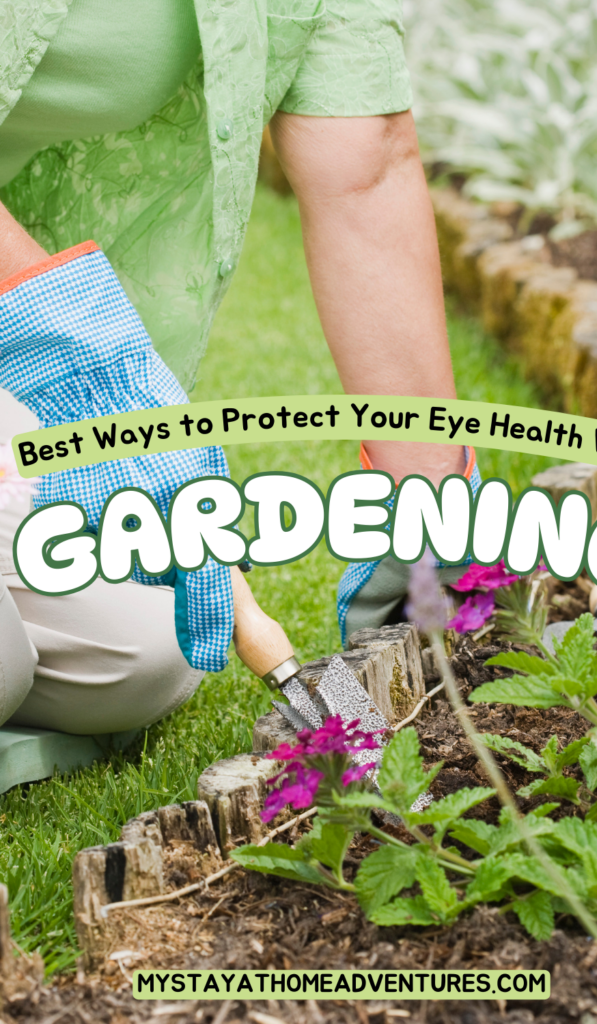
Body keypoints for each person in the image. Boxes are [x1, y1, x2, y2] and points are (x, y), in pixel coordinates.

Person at [0, 0, 478, 736]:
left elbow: (367, 167)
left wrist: (429, 498)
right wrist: (71, 350)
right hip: (26, 311)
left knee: (137, 657)